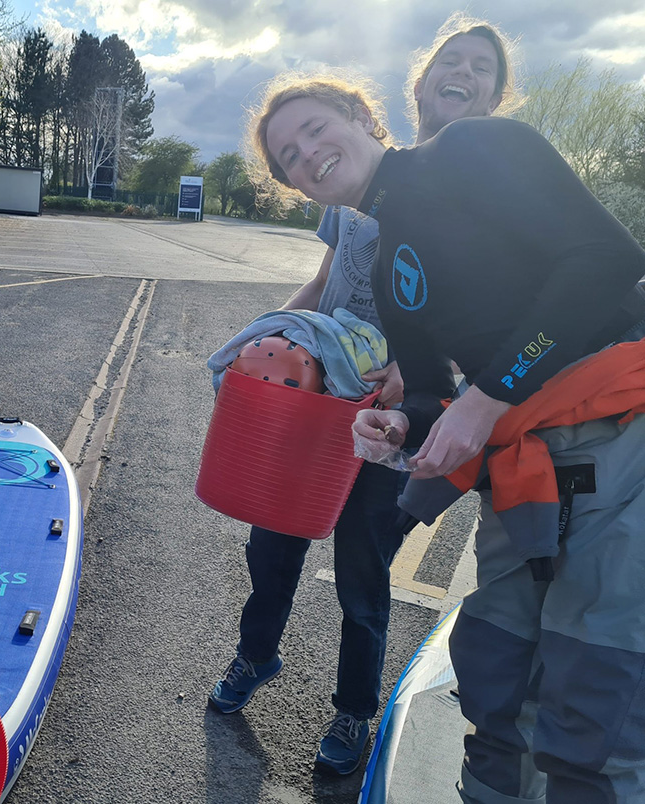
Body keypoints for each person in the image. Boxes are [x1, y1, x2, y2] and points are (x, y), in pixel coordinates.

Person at [257, 38, 645, 804]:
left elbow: (603, 259)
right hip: (521, 487)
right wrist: (399, 427)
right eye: (289, 156)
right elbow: (433, 394)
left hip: (616, 444)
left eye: (314, 128)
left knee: (595, 708)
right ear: (298, 187)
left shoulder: (472, 148)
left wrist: (491, 394)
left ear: (363, 117)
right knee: (494, 686)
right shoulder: (382, 265)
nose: (308, 153)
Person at [208, 15, 519, 777]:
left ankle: (354, 712)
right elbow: (323, 282)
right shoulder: (349, 184)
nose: (463, 73)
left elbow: (493, 306)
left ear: (496, 95)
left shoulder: (483, 188)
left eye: (482, 66)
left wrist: (417, 369)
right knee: (273, 540)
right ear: (414, 84)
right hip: (326, 394)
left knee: (361, 567)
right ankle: (256, 656)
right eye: (452, 59)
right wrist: (276, 341)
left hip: (398, 403)